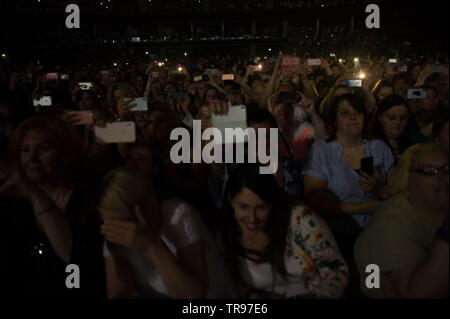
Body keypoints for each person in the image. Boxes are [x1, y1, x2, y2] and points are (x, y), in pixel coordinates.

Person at [0, 115, 106, 297]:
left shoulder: (89, 199)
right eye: (25, 150)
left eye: (43, 148)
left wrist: (36, 195)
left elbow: (76, 262)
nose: (31, 158)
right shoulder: (14, 201)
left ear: (66, 153)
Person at [98, 167, 237, 298]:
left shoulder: (178, 215)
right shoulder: (113, 231)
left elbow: (192, 295)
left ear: (140, 212)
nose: (116, 229)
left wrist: (153, 245)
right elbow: (119, 292)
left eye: (122, 221)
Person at [220, 164, 349, 299]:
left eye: (261, 208)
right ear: (231, 200)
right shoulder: (226, 236)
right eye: (243, 207)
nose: (252, 218)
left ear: (272, 203)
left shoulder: (298, 219)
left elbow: (335, 269)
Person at [354, 144, 449, 298]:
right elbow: (410, 294)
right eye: (429, 171)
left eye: (447, 169)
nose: (442, 177)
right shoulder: (391, 221)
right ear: (407, 177)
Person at [373, 95, 414, 161]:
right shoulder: (369, 145)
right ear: (380, 117)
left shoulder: (415, 141)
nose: (398, 122)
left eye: (403, 118)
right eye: (391, 118)